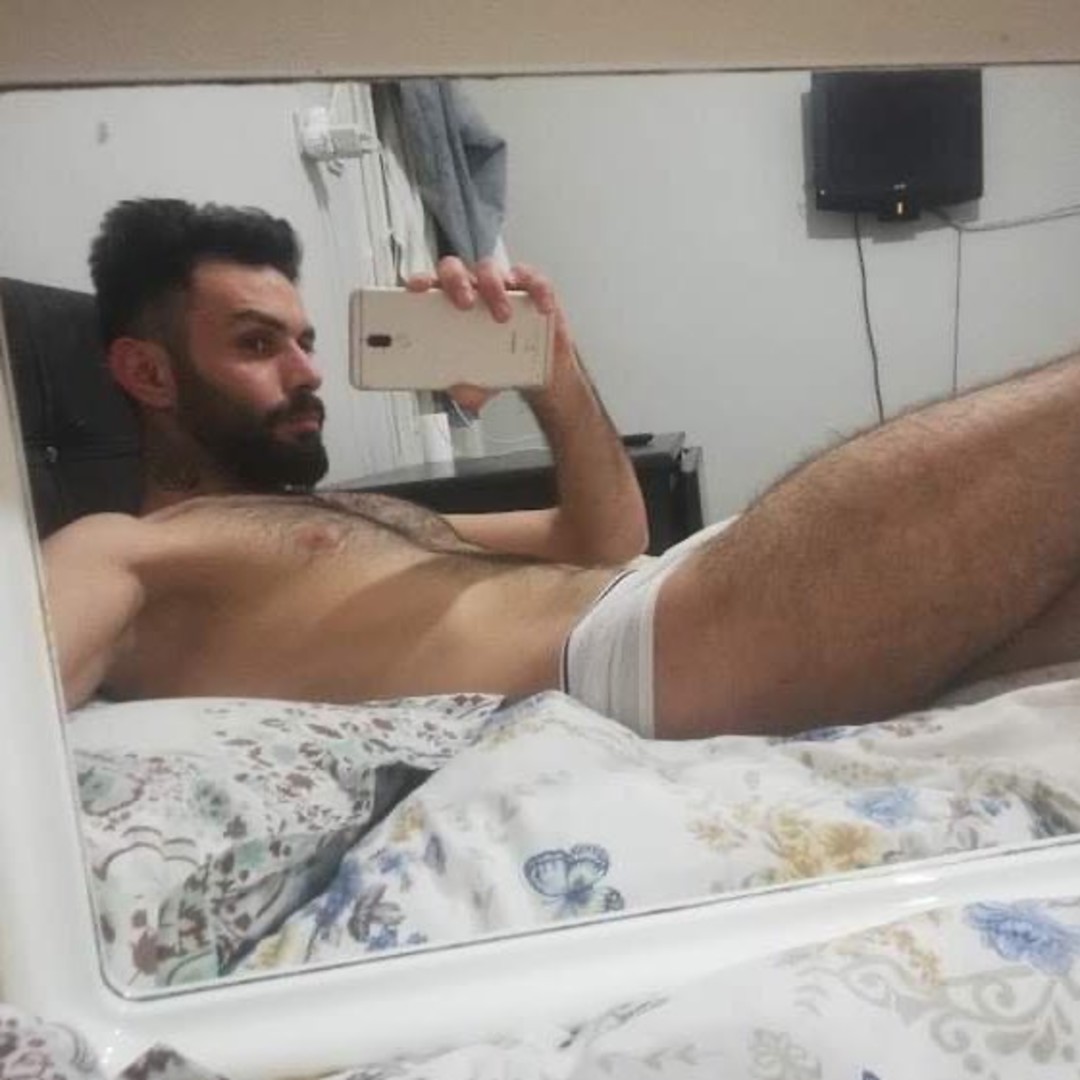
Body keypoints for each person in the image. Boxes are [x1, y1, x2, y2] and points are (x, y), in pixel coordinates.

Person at [41, 199, 1080, 741]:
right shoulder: (117, 548)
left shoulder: (348, 514)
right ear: (147, 371)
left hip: (670, 594)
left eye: (308, 340)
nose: (309, 372)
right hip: (645, 654)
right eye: (258, 345)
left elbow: (606, 537)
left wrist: (551, 373)